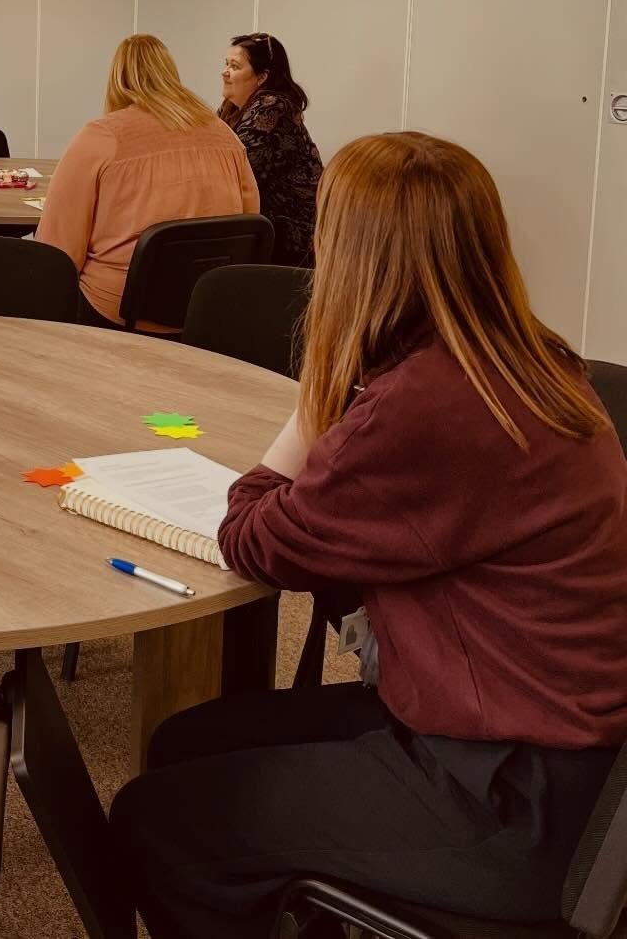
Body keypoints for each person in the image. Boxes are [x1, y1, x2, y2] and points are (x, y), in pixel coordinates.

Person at [110, 132, 627, 937]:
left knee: (157, 821)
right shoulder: (529, 357)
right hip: (563, 755)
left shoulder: (426, 408)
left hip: (510, 796)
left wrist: (318, 391)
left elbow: (252, 536)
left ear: (351, 258)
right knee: (188, 741)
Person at [37, 34, 258, 331]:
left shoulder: (100, 137)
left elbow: (57, 256)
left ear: (117, 79)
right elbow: (249, 222)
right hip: (204, 309)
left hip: (117, 311)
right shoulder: (226, 135)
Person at [219, 32, 322, 267]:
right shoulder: (230, 109)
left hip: (292, 243)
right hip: (264, 233)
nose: (225, 72)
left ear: (262, 77)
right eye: (226, 64)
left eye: (234, 66)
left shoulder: (272, 107)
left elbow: (234, 170)